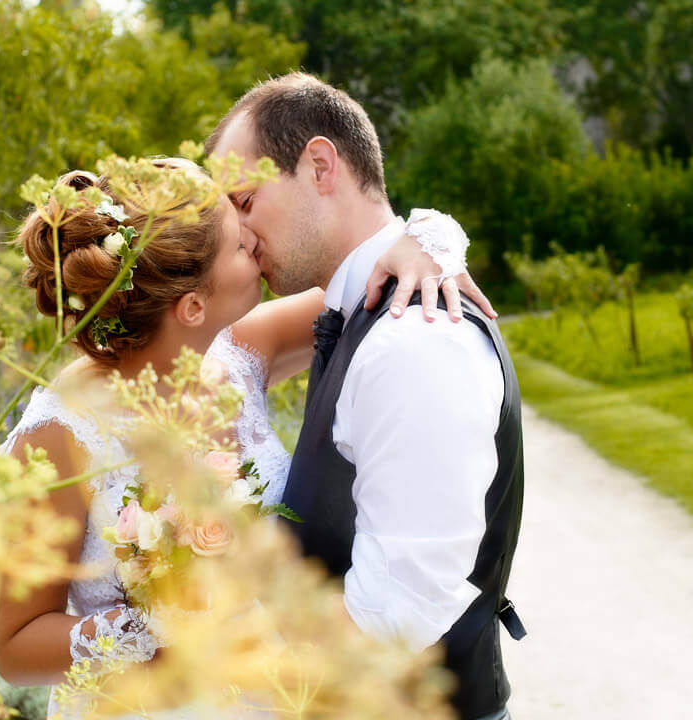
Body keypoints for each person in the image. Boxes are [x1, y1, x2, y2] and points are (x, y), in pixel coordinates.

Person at [0, 158, 493, 717]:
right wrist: (166, 624)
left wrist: (425, 241)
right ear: (193, 306)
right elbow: (14, 646)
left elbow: (359, 274)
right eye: (237, 244)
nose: (254, 240)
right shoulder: (62, 433)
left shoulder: (241, 351)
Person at [206, 73, 526, 720]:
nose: (237, 233)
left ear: (320, 165)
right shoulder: (362, 308)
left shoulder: (411, 338)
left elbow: (403, 605)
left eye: (242, 201)